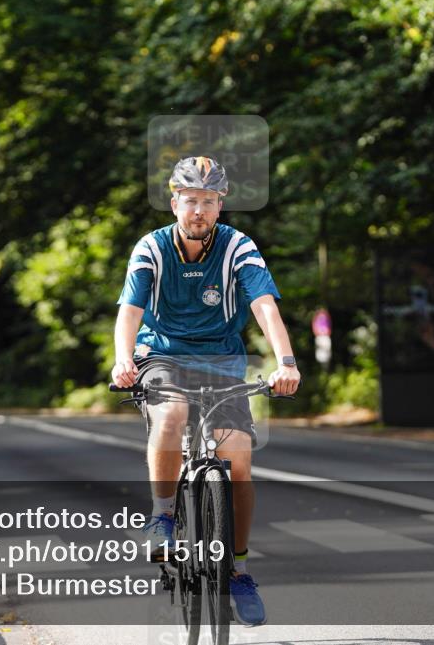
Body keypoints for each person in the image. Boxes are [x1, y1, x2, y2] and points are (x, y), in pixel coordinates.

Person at [112, 156, 301, 627]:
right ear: (175, 203)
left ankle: (238, 568)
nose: (199, 210)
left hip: (221, 360)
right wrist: (123, 358)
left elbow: (264, 307)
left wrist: (287, 362)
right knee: (171, 414)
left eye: (209, 202)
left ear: (221, 207)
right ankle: (162, 517)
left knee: (238, 458)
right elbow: (130, 313)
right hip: (162, 358)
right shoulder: (151, 248)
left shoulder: (238, 246)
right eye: (191, 200)